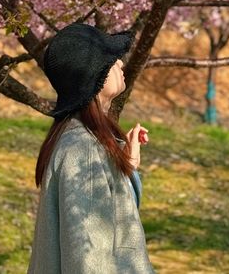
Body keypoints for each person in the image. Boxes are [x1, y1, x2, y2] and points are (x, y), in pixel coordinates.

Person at [27, 22, 156, 273]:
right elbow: (87, 259)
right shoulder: (83, 151)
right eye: (110, 60)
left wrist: (124, 167)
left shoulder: (80, 139)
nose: (120, 63)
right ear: (92, 75)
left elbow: (109, 224)